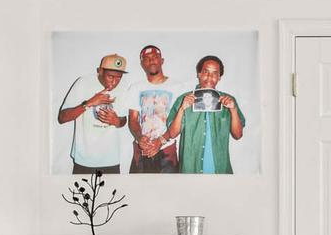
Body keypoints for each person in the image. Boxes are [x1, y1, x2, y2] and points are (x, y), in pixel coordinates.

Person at [164, 54, 245, 174]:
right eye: (206, 72)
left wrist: (233, 110)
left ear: (219, 77)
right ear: (199, 74)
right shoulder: (184, 99)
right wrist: (182, 109)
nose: (209, 77)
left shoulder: (229, 100)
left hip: (220, 170)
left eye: (215, 73)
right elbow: (172, 133)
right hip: (190, 169)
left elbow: (238, 135)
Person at [55, 53, 127, 174]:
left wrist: (117, 121)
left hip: (111, 160)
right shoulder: (83, 83)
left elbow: (123, 120)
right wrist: (89, 103)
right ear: (100, 71)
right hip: (84, 159)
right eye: (110, 76)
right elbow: (62, 118)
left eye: (119, 77)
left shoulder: (123, 88)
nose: (114, 82)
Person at [124, 44, 179, 174]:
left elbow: (180, 121)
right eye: (147, 58)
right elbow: (133, 119)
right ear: (142, 64)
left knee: (169, 192)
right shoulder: (135, 88)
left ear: (162, 60)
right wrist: (139, 137)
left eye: (155, 57)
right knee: (138, 192)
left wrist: (161, 140)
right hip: (141, 150)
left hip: (167, 150)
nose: (151, 60)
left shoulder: (177, 87)